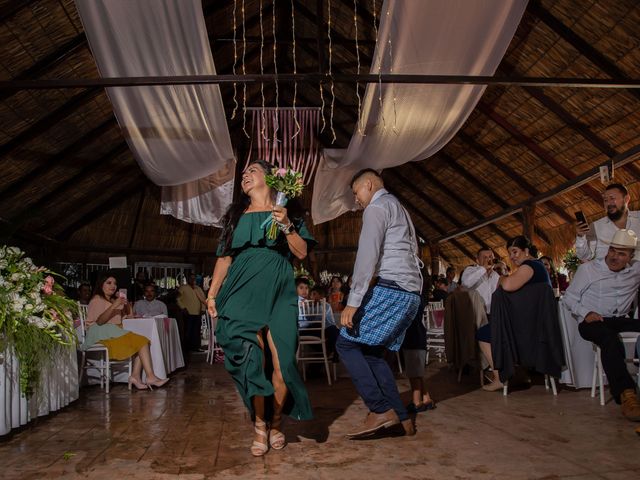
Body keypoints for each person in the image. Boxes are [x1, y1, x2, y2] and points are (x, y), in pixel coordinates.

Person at [206, 160, 315, 457]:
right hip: (242, 291)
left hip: (280, 293)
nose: (245, 175)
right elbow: (224, 258)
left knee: (283, 365)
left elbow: (302, 252)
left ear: (269, 178)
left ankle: (277, 422)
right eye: (244, 173)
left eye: (252, 170)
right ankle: (259, 425)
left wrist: (286, 225)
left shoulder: (288, 213)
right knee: (251, 358)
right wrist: (212, 295)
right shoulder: (236, 217)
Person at [338, 169, 422, 438]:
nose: (357, 200)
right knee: (372, 352)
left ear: (369, 185)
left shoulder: (376, 208)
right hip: (411, 291)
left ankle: (378, 409)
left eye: (356, 193)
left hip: (393, 286)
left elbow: (367, 257)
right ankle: (401, 416)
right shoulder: (398, 207)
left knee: (346, 342)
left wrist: (353, 301)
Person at [563, 229, 640, 421]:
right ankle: (627, 395)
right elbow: (569, 299)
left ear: (630, 256)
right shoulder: (588, 270)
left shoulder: (636, 270)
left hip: (621, 319)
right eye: (612, 251)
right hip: (593, 321)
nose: (614, 256)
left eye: (621, 254)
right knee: (609, 338)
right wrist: (585, 313)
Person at [479, 236, 552, 391]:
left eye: (515, 252)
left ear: (526, 251)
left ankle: (499, 378)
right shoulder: (539, 266)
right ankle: (516, 372)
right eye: (510, 253)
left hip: (528, 330)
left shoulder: (529, 266)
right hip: (540, 326)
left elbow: (506, 285)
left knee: (483, 334)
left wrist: (503, 277)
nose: (512, 257)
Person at [81, 272, 169, 390]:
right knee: (141, 341)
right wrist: (114, 305)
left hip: (113, 331)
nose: (113, 286)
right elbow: (100, 321)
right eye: (109, 283)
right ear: (101, 285)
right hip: (100, 332)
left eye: (115, 283)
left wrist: (128, 306)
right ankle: (150, 377)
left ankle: (136, 376)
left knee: (142, 341)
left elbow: (128, 318)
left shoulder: (114, 300)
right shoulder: (97, 299)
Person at [575, 183, 640, 261]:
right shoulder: (596, 227)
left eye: (612, 198)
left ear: (626, 199)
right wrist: (581, 237)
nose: (608, 203)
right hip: (607, 272)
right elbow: (585, 256)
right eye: (605, 200)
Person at [461, 248, 500, 315]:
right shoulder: (470, 270)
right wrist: (484, 268)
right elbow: (466, 283)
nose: (488, 260)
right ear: (477, 261)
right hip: (475, 315)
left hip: (493, 315)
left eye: (490, 257)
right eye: (485, 257)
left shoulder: (496, 275)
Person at [178, 273, 207, 352]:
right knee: (188, 331)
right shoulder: (183, 288)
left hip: (197, 313)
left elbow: (203, 299)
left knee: (197, 331)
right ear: (187, 279)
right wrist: (183, 308)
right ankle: (187, 348)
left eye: (194, 278)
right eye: (191, 278)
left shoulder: (198, 288)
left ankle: (196, 347)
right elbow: (178, 299)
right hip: (188, 313)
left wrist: (203, 309)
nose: (192, 280)